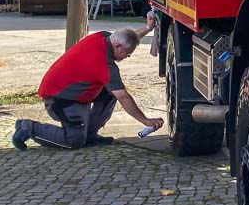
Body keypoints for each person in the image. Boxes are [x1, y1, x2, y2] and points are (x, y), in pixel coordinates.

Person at [11, 15, 163, 150]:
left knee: (110, 92)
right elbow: (124, 97)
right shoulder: (104, 63)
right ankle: (27, 127)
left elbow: (129, 38)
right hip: (59, 99)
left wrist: (148, 28)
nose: (126, 57)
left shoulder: (104, 37)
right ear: (117, 47)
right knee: (74, 140)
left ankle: (90, 135)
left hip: (72, 92)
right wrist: (146, 120)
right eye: (127, 54)